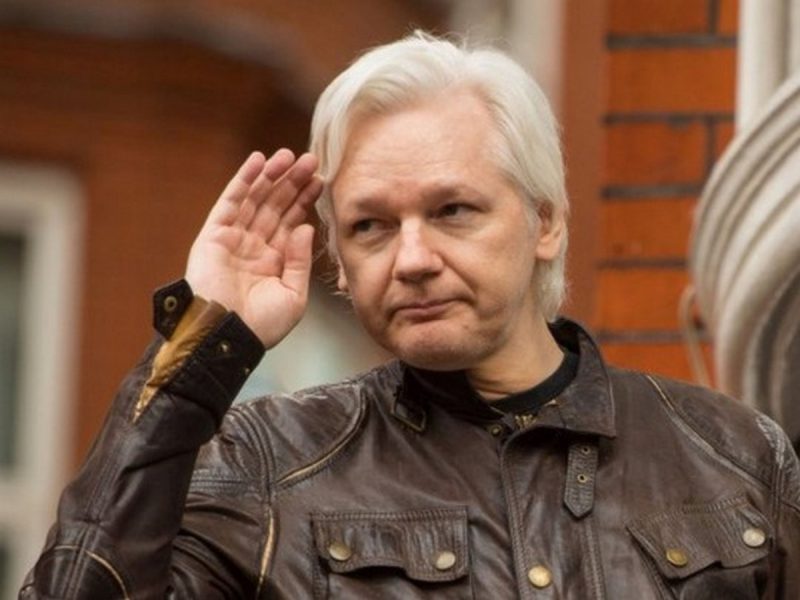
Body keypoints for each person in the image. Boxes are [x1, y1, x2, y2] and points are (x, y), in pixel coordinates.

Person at [20, 32, 800, 599]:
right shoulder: (267, 463)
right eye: (371, 226)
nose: (412, 258)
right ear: (338, 258)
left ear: (546, 222)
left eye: (453, 210)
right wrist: (201, 338)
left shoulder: (733, 455)